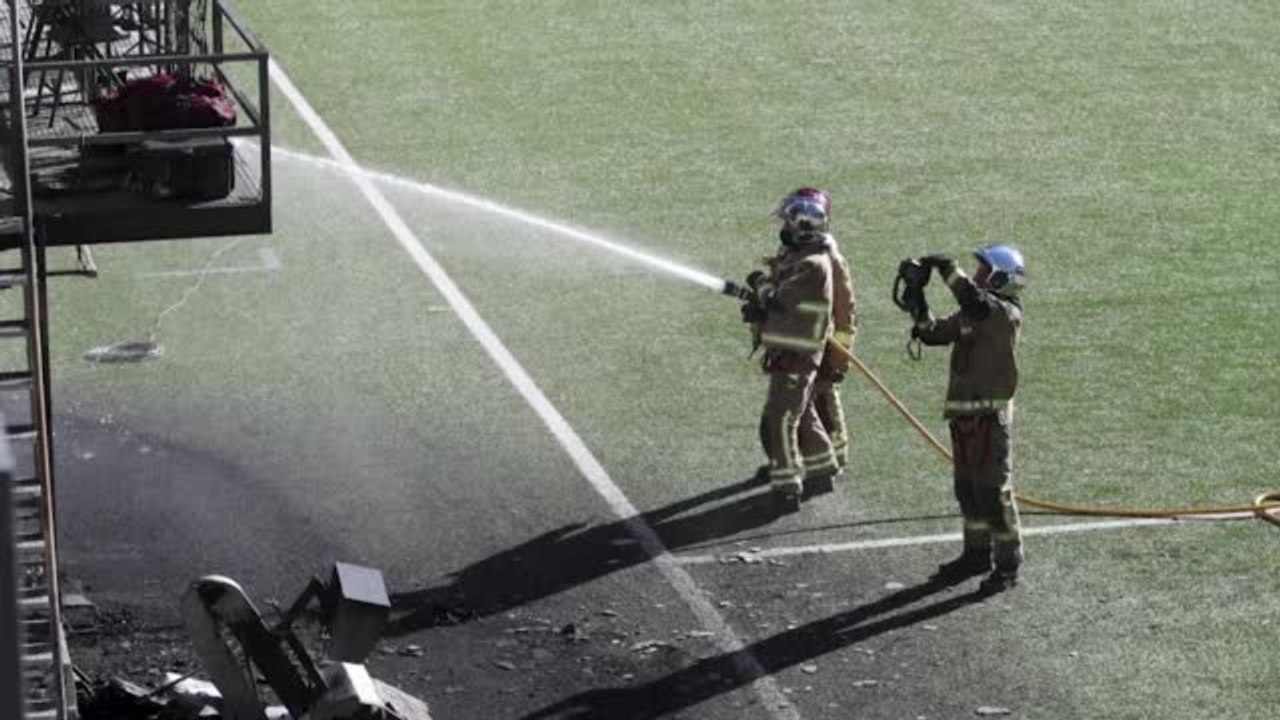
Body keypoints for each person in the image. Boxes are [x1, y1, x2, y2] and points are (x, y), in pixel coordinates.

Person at [909, 244, 1027, 593]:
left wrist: (947, 268)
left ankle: (1008, 565)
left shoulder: (1003, 313)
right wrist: (916, 296)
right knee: (968, 491)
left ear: (1001, 279)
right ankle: (976, 555)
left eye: (983, 272)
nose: (977, 278)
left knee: (993, 494)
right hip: (964, 419)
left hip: (990, 420)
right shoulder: (973, 315)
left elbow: (973, 300)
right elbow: (931, 333)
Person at [740, 189, 839, 510]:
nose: (784, 228)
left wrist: (758, 287)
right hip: (790, 346)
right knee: (802, 409)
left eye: (789, 222)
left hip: (798, 352)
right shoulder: (799, 254)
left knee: (782, 417)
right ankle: (823, 467)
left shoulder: (812, 264)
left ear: (803, 225)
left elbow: (778, 297)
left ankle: (787, 486)